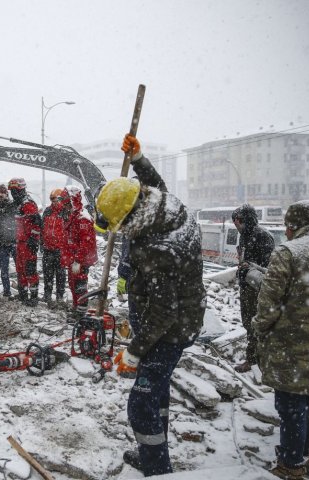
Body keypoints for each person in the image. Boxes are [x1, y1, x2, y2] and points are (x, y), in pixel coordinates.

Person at [95, 134, 205, 477]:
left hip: (169, 331)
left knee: (141, 401)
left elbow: (164, 311)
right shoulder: (167, 206)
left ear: (130, 218)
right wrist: (139, 159)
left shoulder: (156, 248)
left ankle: (156, 465)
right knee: (156, 392)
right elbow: (153, 184)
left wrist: (135, 352)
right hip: (184, 317)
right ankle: (157, 447)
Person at [252, 201, 309, 480]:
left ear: (292, 227)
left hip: (289, 347)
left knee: (292, 406)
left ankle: (291, 464)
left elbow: (268, 303)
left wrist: (259, 329)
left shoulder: (288, 252)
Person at [231, 204, 275, 373]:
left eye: (238, 220)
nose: (236, 224)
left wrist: (250, 267)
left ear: (245, 220)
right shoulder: (244, 235)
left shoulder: (262, 236)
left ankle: (254, 360)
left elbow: (268, 267)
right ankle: (256, 358)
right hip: (246, 285)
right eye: (235, 221)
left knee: (255, 323)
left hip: (257, 288)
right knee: (248, 323)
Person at [59, 186, 97, 319]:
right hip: (73, 258)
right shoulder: (73, 215)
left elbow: (86, 242)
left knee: (80, 285)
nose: (65, 207)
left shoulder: (82, 217)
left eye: (67, 204)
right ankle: (77, 308)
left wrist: (78, 260)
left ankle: (81, 312)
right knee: (73, 283)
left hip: (80, 260)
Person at [8, 177, 42, 306]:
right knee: (20, 269)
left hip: (28, 243)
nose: (13, 193)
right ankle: (22, 294)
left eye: (15, 190)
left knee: (30, 270)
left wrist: (34, 240)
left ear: (21, 189)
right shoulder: (18, 204)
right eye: (12, 191)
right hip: (20, 242)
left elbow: (36, 223)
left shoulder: (28, 204)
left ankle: (33, 297)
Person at [40, 188, 67, 305]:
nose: (54, 203)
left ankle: (60, 296)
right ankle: (47, 295)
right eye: (52, 200)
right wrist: (42, 243)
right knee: (47, 273)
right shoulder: (47, 211)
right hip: (48, 248)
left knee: (60, 274)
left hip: (60, 249)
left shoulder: (66, 212)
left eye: (57, 200)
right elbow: (42, 228)